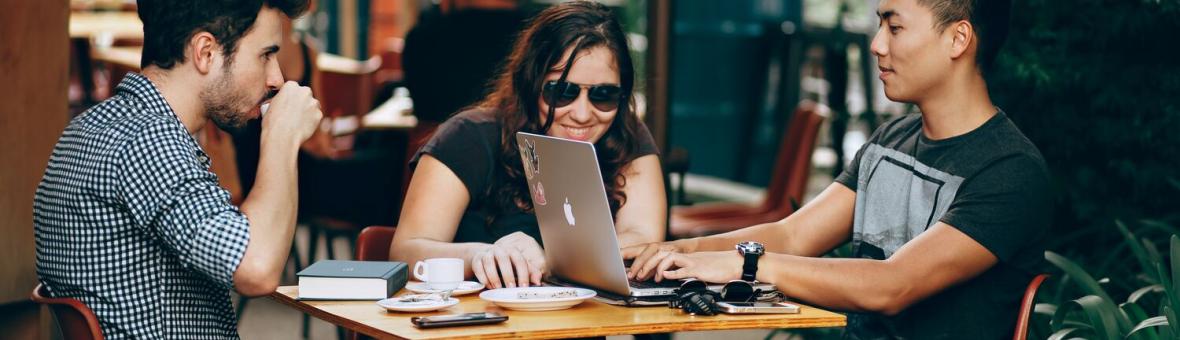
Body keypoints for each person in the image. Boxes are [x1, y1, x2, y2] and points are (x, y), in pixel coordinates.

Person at [624, 0, 1050, 339]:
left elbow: (892, 285)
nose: (877, 44)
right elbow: (793, 235)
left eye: (895, 26)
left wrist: (744, 265)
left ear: (958, 38)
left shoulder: (1009, 171)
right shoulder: (891, 140)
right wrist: (680, 252)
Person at [33, 0, 321, 338]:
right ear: (205, 52)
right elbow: (255, 267)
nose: (277, 78)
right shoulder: (147, 139)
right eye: (265, 55)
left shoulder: (93, 126)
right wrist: (282, 135)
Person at [390, 0, 666, 289]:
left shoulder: (626, 134)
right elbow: (405, 253)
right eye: (562, 92)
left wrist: (552, 260)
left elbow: (643, 240)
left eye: (604, 95)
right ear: (530, 83)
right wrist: (482, 256)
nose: (583, 114)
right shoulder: (469, 137)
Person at [401, 0, 527, 124]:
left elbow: (424, 111)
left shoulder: (421, 38)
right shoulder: (534, 36)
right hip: (512, 141)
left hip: (434, 141)